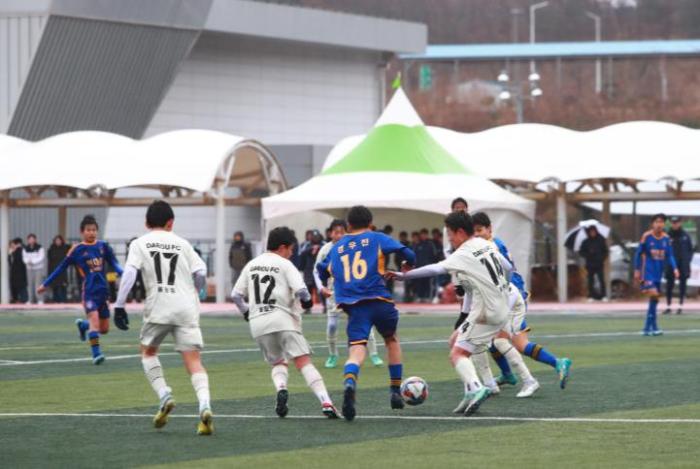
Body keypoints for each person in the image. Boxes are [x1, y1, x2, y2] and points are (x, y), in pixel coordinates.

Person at [389, 211, 509, 416]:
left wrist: (403, 276)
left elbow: (436, 269)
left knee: (457, 354)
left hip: (486, 312)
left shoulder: (463, 253)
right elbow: (508, 267)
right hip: (499, 306)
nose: (450, 240)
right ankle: (470, 392)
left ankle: (477, 388)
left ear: (460, 232)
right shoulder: (486, 243)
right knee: (454, 341)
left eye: (450, 235)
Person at [114, 200, 214, 435]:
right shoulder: (183, 243)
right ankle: (204, 405)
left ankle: (164, 394)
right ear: (171, 223)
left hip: (159, 306)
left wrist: (119, 305)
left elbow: (129, 274)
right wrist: (198, 290)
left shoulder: (139, 243)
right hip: (186, 308)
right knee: (194, 361)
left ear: (146, 222)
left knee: (148, 352)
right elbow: (201, 272)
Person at [317, 206, 416, 422]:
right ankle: (395, 391)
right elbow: (409, 253)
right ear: (370, 223)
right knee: (391, 340)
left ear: (348, 225)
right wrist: (407, 264)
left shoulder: (338, 246)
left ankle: (350, 381)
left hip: (355, 307)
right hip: (380, 301)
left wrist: (329, 279)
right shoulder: (377, 237)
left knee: (357, 349)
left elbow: (322, 269)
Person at [232, 226, 339, 419]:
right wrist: (308, 303)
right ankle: (326, 402)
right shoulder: (285, 264)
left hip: (258, 323)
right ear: (282, 247)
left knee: (278, 362)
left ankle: (281, 387)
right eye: (291, 249)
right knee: (303, 362)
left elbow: (236, 295)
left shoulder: (251, 264)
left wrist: (247, 312)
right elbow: (302, 291)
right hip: (283, 319)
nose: (291, 253)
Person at [472, 211, 572, 392]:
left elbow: (505, 273)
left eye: (480, 230)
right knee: (516, 344)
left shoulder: (492, 246)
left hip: (512, 297)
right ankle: (555, 364)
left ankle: (525, 378)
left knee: (496, 340)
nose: (477, 234)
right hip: (509, 296)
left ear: (489, 229)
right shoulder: (488, 245)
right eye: (474, 231)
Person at [38, 216, 123, 365]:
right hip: (89, 292)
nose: (92, 233)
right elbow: (61, 268)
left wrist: (124, 273)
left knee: (104, 329)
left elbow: (114, 263)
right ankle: (96, 354)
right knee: (94, 321)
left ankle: (83, 325)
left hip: (103, 292)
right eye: (88, 230)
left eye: (94, 230)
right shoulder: (76, 250)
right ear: (82, 232)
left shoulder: (103, 246)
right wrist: (46, 284)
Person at [313, 219, 384, 369]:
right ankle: (333, 355)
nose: (338, 235)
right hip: (334, 294)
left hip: (354, 292)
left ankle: (374, 354)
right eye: (336, 232)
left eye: (341, 232)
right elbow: (316, 270)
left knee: (364, 322)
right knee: (332, 325)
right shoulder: (325, 249)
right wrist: (321, 287)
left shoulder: (353, 246)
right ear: (330, 233)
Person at [634, 213, 679, 336]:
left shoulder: (666, 238)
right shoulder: (647, 236)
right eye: (657, 222)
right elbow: (638, 253)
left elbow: (670, 255)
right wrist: (637, 270)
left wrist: (675, 268)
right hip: (647, 272)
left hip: (658, 273)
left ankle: (649, 328)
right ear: (652, 224)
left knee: (654, 300)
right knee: (654, 295)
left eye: (661, 222)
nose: (659, 224)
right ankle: (650, 327)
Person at [664, 216, 693, 315]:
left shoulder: (685, 235)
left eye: (676, 222)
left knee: (682, 286)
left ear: (680, 223)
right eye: (673, 222)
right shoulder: (667, 235)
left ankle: (680, 306)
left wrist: (687, 260)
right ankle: (668, 306)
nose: (675, 224)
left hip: (683, 265)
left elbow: (690, 250)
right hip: (671, 265)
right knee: (669, 286)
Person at [578, 226, 609, 302]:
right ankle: (590, 296)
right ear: (589, 232)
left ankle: (603, 295)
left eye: (594, 231)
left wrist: (602, 258)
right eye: (591, 232)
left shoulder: (601, 240)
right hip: (590, 264)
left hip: (599, 263)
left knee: (601, 280)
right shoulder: (585, 242)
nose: (592, 233)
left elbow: (605, 251)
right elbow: (581, 252)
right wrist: (588, 254)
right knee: (590, 280)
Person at [299, 230, 324, 313]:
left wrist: (319, 248)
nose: (315, 238)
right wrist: (311, 249)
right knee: (307, 290)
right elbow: (301, 253)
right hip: (308, 270)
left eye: (317, 236)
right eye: (314, 236)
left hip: (320, 270)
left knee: (321, 288)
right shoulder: (306, 244)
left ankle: (326, 306)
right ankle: (307, 307)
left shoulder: (323, 244)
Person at [413, 228, 438, 303]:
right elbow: (414, 256)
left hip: (428, 267)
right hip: (419, 267)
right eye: (422, 234)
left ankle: (427, 297)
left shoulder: (430, 244)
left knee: (428, 283)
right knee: (419, 283)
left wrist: (433, 266)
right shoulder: (417, 245)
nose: (423, 236)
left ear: (427, 235)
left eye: (425, 234)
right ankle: (419, 297)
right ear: (420, 235)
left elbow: (435, 256)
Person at [47, 235, 71, 303]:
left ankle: (63, 300)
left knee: (63, 285)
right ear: (54, 241)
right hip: (54, 269)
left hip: (62, 270)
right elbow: (49, 261)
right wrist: (49, 271)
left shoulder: (65, 248)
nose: (58, 242)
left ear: (61, 241)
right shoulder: (51, 249)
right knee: (55, 285)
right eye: (56, 240)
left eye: (59, 240)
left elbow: (71, 249)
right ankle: (56, 300)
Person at [23, 234, 46, 304]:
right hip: (29, 268)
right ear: (28, 240)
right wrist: (28, 261)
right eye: (30, 239)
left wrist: (33, 261)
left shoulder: (40, 247)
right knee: (30, 284)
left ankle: (40, 299)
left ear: (35, 240)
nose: (31, 240)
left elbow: (41, 257)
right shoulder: (25, 248)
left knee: (38, 284)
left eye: (32, 239)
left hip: (38, 268)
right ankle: (30, 299)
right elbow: (24, 258)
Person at [8, 238, 28, 304]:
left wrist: (19, 247)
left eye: (13, 244)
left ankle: (24, 299)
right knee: (13, 286)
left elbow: (25, 248)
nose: (12, 246)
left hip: (21, 271)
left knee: (22, 286)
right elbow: (10, 262)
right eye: (11, 245)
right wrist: (10, 254)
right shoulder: (11, 252)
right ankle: (15, 299)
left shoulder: (21, 249)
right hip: (13, 272)